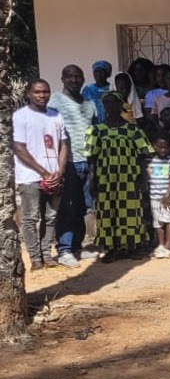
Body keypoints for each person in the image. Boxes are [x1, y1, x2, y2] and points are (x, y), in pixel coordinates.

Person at [86, 92, 153, 262]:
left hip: (129, 178)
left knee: (131, 212)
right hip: (106, 179)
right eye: (106, 103)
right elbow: (91, 157)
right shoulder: (96, 130)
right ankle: (112, 248)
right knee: (108, 213)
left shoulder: (132, 129)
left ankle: (132, 247)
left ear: (120, 104)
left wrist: (143, 177)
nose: (109, 106)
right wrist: (92, 179)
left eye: (113, 102)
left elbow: (143, 155)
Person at [14, 79, 70, 270]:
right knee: (30, 218)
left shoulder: (55, 116)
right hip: (30, 176)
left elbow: (64, 144)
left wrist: (60, 171)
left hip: (54, 175)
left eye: (45, 92)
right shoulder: (21, 117)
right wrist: (44, 172)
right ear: (29, 93)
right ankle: (35, 258)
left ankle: (47, 254)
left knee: (51, 217)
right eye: (37, 92)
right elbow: (19, 148)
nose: (42, 95)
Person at [49, 64, 98, 264]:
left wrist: (93, 166)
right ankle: (64, 250)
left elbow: (94, 134)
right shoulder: (55, 102)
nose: (74, 80)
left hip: (86, 161)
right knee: (67, 207)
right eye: (70, 76)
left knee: (82, 207)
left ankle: (77, 247)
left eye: (78, 76)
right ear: (62, 78)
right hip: (67, 162)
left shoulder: (89, 104)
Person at [148, 134, 170, 259]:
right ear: (154, 147)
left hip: (168, 196)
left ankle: (169, 244)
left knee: (168, 220)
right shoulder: (150, 162)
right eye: (160, 147)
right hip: (154, 196)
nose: (163, 150)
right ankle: (161, 245)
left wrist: (167, 194)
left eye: (165, 147)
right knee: (158, 222)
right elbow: (149, 178)